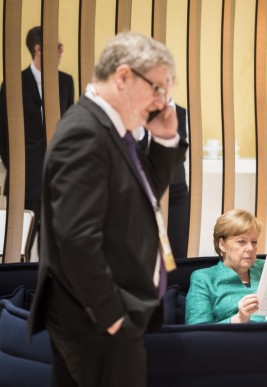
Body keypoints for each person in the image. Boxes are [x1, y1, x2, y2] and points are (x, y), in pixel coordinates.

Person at [27, 32, 188, 387]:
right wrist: (113, 317)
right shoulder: (85, 132)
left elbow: (140, 197)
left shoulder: (111, 130)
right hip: (95, 321)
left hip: (97, 318)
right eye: (157, 88)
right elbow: (75, 238)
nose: (162, 101)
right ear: (124, 76)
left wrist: (163, 141)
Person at [0, 26, 75, 252]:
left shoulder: (66, 82)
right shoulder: (14, 83)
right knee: (19, 244)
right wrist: (19, 168)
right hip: (25, 178)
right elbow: (4, 133)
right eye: (57, 46)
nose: (62, 50)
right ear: (38, 49)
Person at [137, 101, 190, 259]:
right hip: (139, 193)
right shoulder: (131, 111)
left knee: (177, 253)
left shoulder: (180, 112)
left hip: (176, 192)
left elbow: (181, 153)